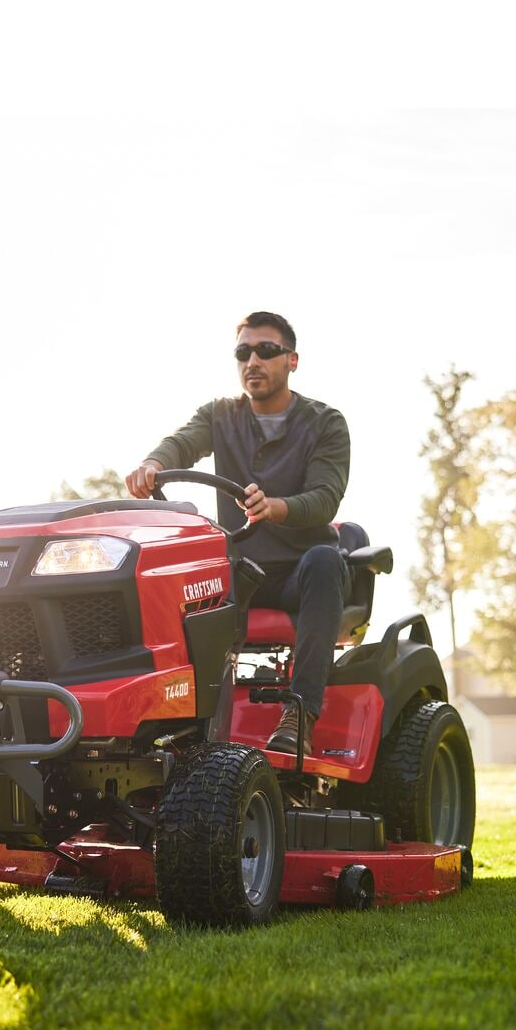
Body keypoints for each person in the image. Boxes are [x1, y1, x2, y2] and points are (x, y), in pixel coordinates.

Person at [124, 311, 350, 757]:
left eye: (267, 351)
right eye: (243, 352)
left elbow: (325, 497)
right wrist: (153, 463)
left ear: (292, 360)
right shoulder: (219, 415)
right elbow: (181, 443)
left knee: (326, 560)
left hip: (298, 575)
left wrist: (275, 508)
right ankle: (175, 724)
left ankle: (299, 716)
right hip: (238, 573)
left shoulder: (325, 423)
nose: (253, 361)